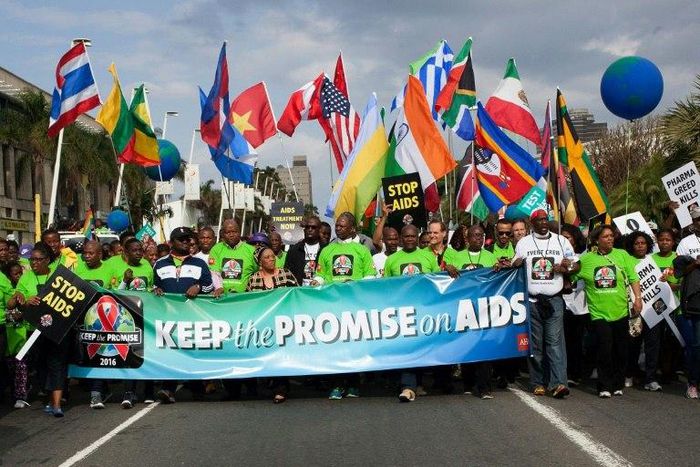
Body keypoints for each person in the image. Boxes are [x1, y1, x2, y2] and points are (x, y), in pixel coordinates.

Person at [510, 210, 579, 398]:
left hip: (554, 301)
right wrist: (515, 262)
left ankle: (558, 383)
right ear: (532, 223)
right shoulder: (524, 242)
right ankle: (537, 382)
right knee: (536, 345)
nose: (543, 223)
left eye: (545, 219)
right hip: (532, 301)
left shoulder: (560, 241)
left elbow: (576, 264)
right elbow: (515, 261)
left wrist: (566, 267)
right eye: (539, 220)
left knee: (554, 343)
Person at [572, 225, 642, 398]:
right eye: (605, 236)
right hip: (599, 313)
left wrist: (638, 299)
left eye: (611, 236)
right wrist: (567, 270)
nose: (610, 239)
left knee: (621, 350)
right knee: (604, 348)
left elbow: (633, 278)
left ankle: (618, 384)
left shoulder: (622, 255)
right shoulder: (587, 259)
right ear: (596, 240)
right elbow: (572, 277)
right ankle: (604, 385)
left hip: (620, 311)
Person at [312, 212, 376, 399]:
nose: (338, 228)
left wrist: (353, 283)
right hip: (333, 306)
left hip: (355, 306)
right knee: (335, 347)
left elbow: (370, 276)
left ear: (352, 229)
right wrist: (317, 281)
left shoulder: (362, 250)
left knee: (354, 346)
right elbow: (321, 275)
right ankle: (337, 385)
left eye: (342, 226)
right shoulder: (327, 250)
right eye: (337, 225)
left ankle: (354, 385)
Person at [153, 227, 214, 405]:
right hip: (169, 317)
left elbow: (209, 287)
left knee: (192, 351)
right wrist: (156, 289)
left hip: (192, 316)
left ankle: (197, 388)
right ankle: (168, 388)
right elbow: (154, 287)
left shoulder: (200, 264)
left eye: (188, 239)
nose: (186, 242)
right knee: (170, 352)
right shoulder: (160, 264)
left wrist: (199, 288)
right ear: (172, 242)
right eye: (182, 239)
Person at [7, 243, 68, 417]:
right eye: (32, 259)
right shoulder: (26, 278)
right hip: (34, 331)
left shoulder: (57, 275)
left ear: (48, 260)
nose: (34, 263)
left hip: (56, 330)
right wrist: (23, 300)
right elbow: (12, 303)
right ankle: (50, 399)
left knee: (56, 364)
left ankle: (57, 405)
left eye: (38, 259)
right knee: (41, 366)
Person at [384, 225, 440, 402]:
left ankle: (419, 384)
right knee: (407, 349)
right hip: (401, 313)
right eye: (406, 236)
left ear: (417, 238)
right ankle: (408, 387)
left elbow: (438, 282)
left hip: (424, 311)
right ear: (401, 238)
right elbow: (385, 287)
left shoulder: (428, 256)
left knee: (421, 348)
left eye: (412, 236)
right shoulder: (392, 260)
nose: (409, 239)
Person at [446, 224, 498, 399]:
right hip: (463, 307)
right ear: (467, 238)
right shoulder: (457, 257)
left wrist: (499, 269)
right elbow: (446, 279)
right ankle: (468, 383)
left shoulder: (491, 257)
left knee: (484, 347)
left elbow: (497, 279)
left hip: (484, 308)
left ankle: (485, 388)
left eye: (481, 235)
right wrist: (447, 269)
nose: (479, 238)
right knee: (466, 345)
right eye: (475, 236)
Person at [246, 246, 299, 403]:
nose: (271, 259)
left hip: (283, 322)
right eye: (267, 257)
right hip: (263, 325)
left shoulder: (285, 273)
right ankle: (265, 383)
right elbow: (249, 302)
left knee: (280, 355)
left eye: (272, 256)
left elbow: (297, 293)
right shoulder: (254, 279)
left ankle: (281, 389)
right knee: (266, 355)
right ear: (260, 262)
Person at [74, 240, 116, 409]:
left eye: (91, 253)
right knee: (87, 356)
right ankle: (101, 388)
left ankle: (96, 393)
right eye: (85, 253)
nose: (87, 256)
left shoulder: (109, 269)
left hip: (103, 322)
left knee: (98, 355)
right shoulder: (78, 268)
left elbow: (117, 292)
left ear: (100, 254)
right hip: (82, 321)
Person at [624, 231, 663, 391]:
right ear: (632, 246)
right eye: (637, 243)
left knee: (652, 345)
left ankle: (650, 378)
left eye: (643, 243)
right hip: (634, 310)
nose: (640, 246)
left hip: (653, 310)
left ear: (648, 245)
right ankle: (629, 374)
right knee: (633, 344)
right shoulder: (627, 261)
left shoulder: (652, 260)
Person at [560, 224, 589, 387]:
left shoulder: (584, 256)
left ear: (575, 239)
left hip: (581, 305)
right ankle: (565, 371)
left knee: (579, 341)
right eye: (562, 237)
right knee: (565, 340)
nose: (565, 240)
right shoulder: (558, 255)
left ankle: (577, 371)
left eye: (568, 237)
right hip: (563, 303)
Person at [3, 259, 29, 409]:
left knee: (21, 367)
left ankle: (21, 396)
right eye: (15, 274)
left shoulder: (23, 287)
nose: (19, 276)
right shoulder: (6, 290)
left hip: (21, 335)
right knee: (9, 367)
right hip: (8, 334)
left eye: (21, 273)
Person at [209, 219, 257, 294]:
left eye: (234, 232)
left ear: (239, 232)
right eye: (228, 232)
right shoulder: (216, 249)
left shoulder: (251, 250)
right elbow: (214, 272)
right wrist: (219, 287)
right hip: (222, 297)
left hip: (244, 298)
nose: (231, 235)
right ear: (223, 234)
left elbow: (258, 272)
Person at [284, 215, 325, 286]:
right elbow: (287, 273)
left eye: (313, 227)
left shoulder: (325, 249)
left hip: (320, 292)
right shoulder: (294, 250)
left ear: (319, 230)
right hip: (299, 292)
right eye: (307, 227)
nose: (310, 229)